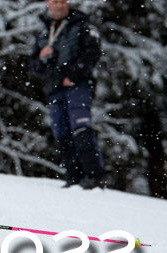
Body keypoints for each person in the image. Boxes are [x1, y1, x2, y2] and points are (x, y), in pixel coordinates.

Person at [30, 0, 104, 189]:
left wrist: (73, 75)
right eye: (55, 2)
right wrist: (41, 57)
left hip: (77, 86)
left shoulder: (82, 24)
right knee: (61, 134)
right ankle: (73, 178)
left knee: (81, 128)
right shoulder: (43, 32)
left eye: (62, 1)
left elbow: (93, 52)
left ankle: (93, 179)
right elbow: (34, 68)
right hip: (53, 89)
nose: (59, 5)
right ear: (48, 4)